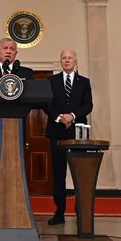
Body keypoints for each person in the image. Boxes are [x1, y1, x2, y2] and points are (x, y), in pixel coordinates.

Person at [0, 37, 35, 192]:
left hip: (17, 127)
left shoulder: (26, 73)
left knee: (15, 165)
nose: (8, 51)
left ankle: (16, 202)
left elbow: (33, 98)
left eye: (11, 49)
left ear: (16, 53)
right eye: (5, 48)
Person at [43, 50, 93, 225]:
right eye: (63, 57)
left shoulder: (84, 82)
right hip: (56, 133)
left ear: (75, 61)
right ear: (60, 61)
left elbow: (88, 105)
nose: (67, 60)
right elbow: (46, 103)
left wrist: (72, 116)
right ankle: (59, 212)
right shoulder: (51, 81)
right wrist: (59, 117)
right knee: (58, 174)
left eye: (70, 58)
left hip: (77, 133)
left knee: (80, 174)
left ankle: (81, 211)